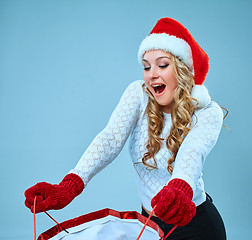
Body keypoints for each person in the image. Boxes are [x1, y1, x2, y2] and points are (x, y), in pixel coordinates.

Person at [25, 17, 227, 239]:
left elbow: (193, 153)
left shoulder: (208, 112)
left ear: (182, 69)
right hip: (150, 225)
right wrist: (69, 185)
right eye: (146, 67)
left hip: (195, 226)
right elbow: (110, 138)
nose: (152, 74)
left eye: (162, 65)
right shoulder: (138, 95)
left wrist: (180, 188)